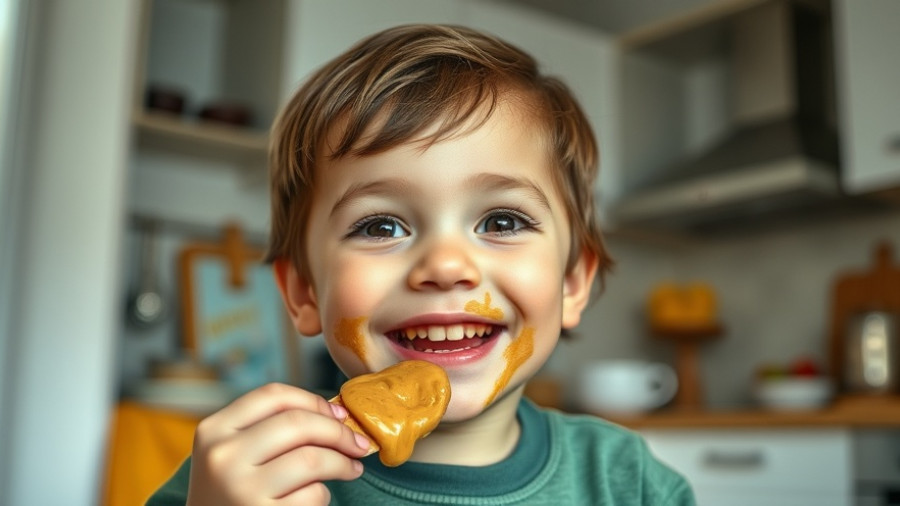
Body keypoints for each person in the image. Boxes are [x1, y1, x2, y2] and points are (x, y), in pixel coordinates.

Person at [147, 24, 695, 505]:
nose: (446, 265)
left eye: (501, 222)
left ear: (573, 284)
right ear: (304, 294)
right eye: (380, 226)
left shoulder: (630, 483)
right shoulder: (247, 477)